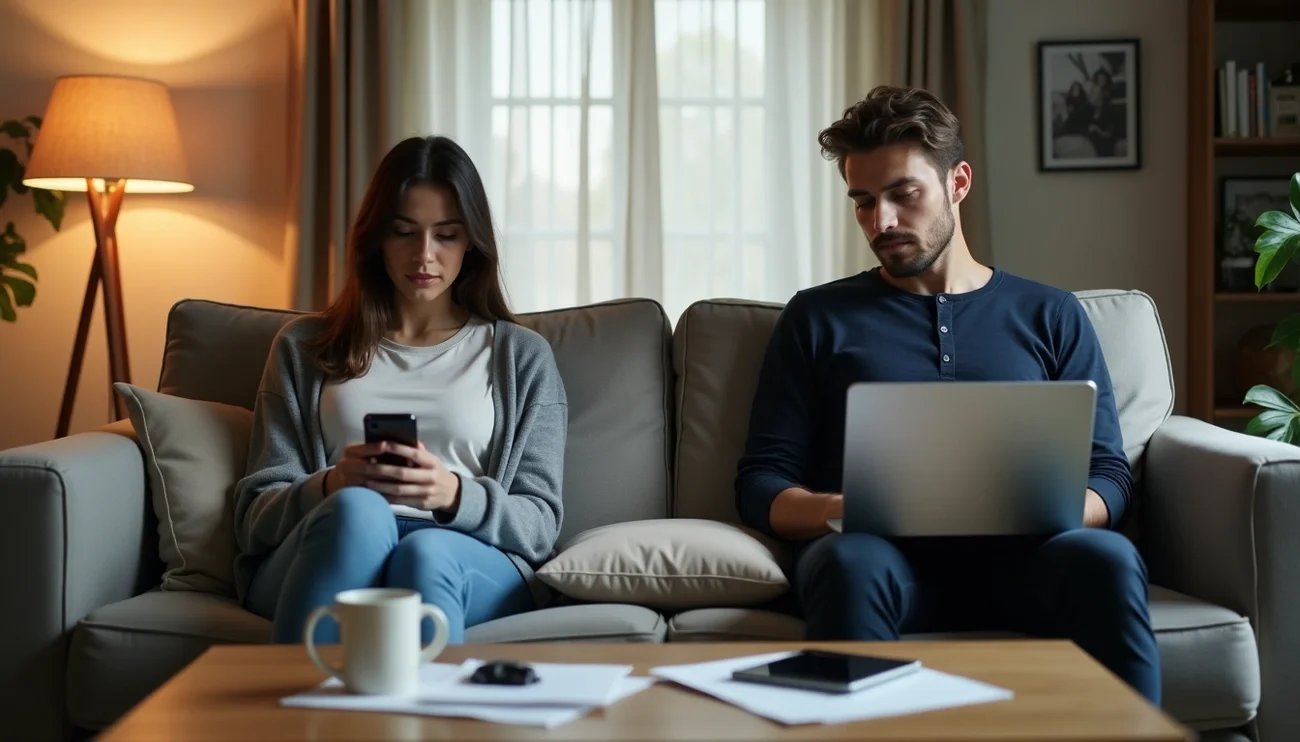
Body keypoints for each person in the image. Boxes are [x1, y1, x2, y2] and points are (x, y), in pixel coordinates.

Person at [734, 86, 1160, 703]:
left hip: (1030, 562)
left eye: (903, 195)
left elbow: (1110, 475)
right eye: (863, 202)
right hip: (881, 565)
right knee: (847, 563)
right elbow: (761, 484)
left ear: (958, 182)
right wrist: (844, 506)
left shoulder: (1050, 314)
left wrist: (1060, 508)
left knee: (1108, 560)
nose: (880, 222)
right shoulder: (818, 317)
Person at [234, 136, 567, 645]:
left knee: (426, 551)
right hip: (332, 540)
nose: (424, 255)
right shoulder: (303, 348)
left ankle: (430, 724)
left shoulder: (522, 357)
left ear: (472, 243)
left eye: (446, 235)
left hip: (461, 553)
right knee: (358, 511)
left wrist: (455, 495)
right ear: (377, 239)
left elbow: (541, 524)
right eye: (404, 232)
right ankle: (302, 719)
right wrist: (331, 484)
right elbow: (254, 514)